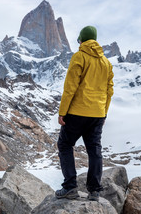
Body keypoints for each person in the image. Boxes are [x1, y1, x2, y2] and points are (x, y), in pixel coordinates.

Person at [55, 26, 114, 201]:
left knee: (65, 145)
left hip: (77, 112)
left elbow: (70, 88)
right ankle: (94, 191)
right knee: (94, 150)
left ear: (82, 39)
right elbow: (109, 91)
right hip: (97, 114)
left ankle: (70, 187)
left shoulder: (79, 56)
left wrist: (62, 112)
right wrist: (103, 113)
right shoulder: (106, 62)